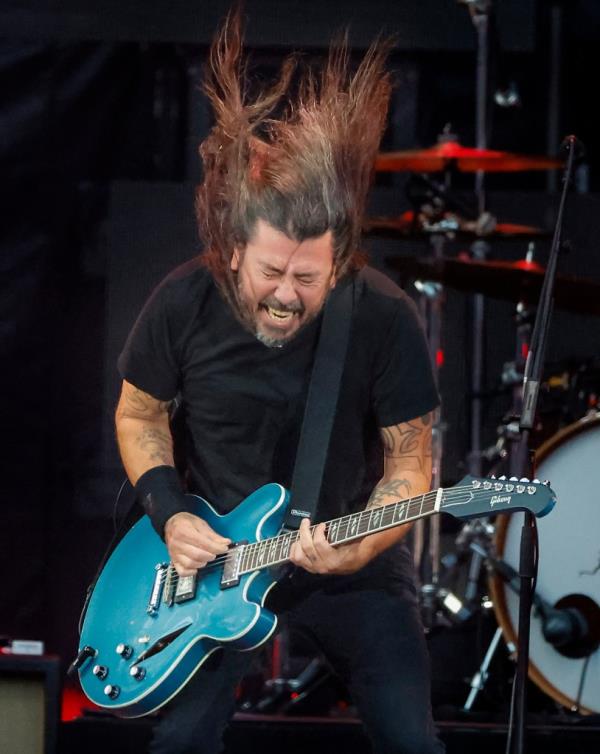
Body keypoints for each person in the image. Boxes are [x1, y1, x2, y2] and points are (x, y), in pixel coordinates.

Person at [115, 11, 444, 754]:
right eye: (272, 272)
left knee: (413, 740)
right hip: (208, 565)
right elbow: (139, 413)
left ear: (341, 261)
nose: (288, 295)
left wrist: (357, 549)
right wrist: (169, 514)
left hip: (338, 553)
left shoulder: (383, 316)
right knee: (180, 744)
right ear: (233, 251)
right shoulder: (182, 301)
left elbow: (409, 465)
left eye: (309, 277)